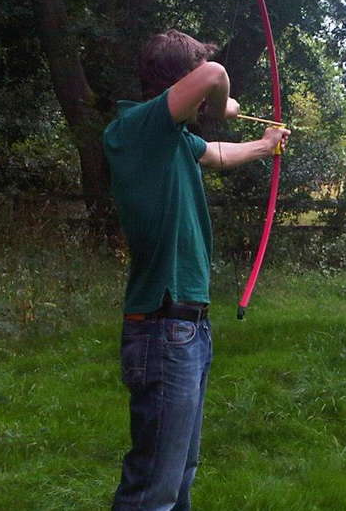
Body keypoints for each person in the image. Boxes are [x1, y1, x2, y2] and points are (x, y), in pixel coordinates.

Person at [103, 29, 289, 510]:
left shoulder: (172, 139)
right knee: (154, 488)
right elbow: (215, 75)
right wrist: (221, 108)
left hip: (186, 326)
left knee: (179, 473)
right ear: (180, 81)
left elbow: (218, 154)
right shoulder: (136, 127)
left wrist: (265, 145)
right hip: (163, 325)